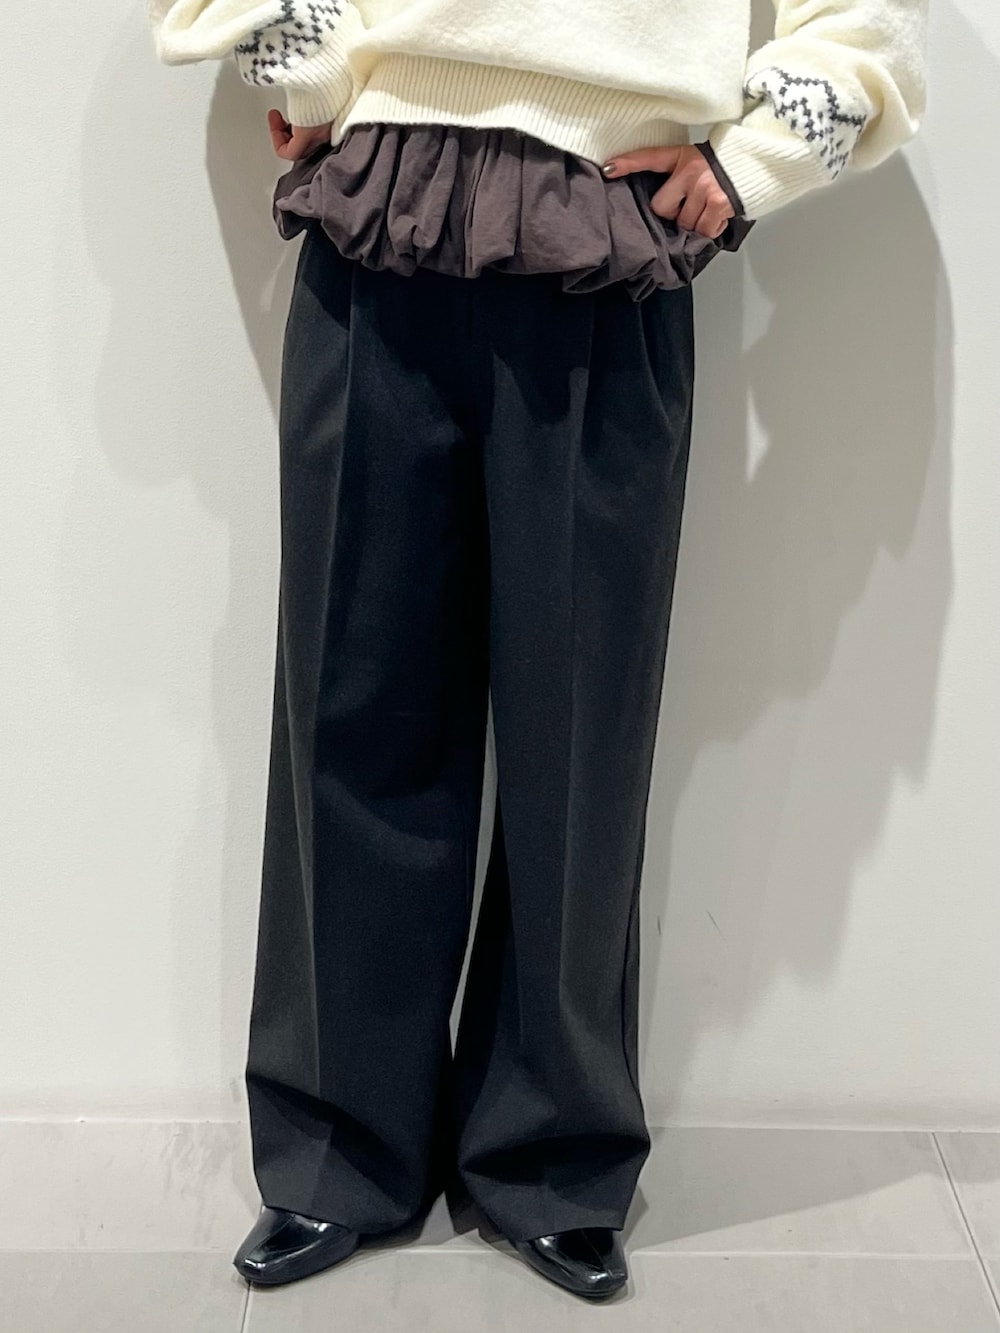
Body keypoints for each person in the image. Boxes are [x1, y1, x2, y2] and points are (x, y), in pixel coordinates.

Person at [147, 0, 928, 1302]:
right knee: (351, 695)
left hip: (606, 222)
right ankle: (340, 1143)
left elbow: (872, 19)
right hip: (382, 195)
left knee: (582, 724)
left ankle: (552, 1154)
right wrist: (302, 59)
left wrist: (751, 162)